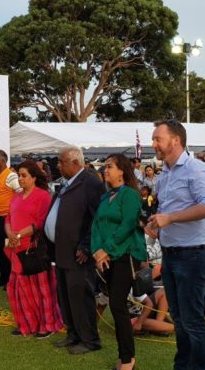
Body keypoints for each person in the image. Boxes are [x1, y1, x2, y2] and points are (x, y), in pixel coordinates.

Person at [145, 119, 205, 370]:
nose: (154, 144)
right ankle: (183, 365)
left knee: (192, 320)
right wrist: (155, 226)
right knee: (180, 318)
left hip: (194, 254)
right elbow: (166, 212)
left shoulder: (195, 168)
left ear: (175, 140)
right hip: (171, 254)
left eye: (157, 139)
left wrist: (170, 218)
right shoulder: (165, 174)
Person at [46, 146, 104, 354]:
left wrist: (87, 246)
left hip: (78, 252)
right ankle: (73, 334)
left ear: (75, 163)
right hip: (61, 250)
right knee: (66, 296)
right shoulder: (66, 183)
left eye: (62, 162)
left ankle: (89, 340)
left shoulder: (91, 183)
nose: (58, 165)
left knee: (80, 296)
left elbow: (98, 218)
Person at [92, 153, 147, 370]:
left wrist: (107, 249)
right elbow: (96, 225)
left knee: (117, 305)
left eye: (109, 167)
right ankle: (124, 358)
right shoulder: (105, 197)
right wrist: (97, 251)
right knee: (115, 306)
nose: (105, 170)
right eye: (105, 167)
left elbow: (127, 225)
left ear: (121, 171)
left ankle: (127, 360)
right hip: (105, 259)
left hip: (124, 256)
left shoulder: (131, 195)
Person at [4, 160, 63, 337]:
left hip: (34, 249)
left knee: (42, 290)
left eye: (24, 176)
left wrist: (19, 235)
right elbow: (7, 218)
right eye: (19, 175)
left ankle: (47, 325)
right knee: (17, 289)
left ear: (34, 178)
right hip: (16, 249)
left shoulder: (43, 196)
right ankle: (26, 324)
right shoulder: (15, 196)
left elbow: (40, 222)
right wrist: (10, 234)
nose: (20, 179)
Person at [0, 150, 22, 288]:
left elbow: (21, 193)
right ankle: (4, 276)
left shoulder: (11, 176)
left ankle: (11, 279)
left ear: (2, 160)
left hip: (5, 220)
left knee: (7, 250)